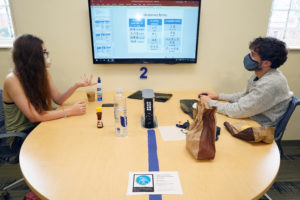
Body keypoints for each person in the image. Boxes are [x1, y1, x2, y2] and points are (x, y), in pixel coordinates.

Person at [2, 34, 95, 151]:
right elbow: (34, 117)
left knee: (72, 133)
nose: (47, 55)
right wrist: (70, 111)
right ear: (32, 56)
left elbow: (58, 99)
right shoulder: (12, 80)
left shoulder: (43, 74)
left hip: (40, 124)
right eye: (44, 52)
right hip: (21, 135)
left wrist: (76, 85)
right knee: (61, 144)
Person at [199, 37, 293, 127]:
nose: (249, 57)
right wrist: (218, 96)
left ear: (266, 63)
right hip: (251, 116)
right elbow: (245, 96)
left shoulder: (270, 84)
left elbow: (239, 110)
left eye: (253, 55)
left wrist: (210, 102)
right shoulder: (260, 73)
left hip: (260, 127)